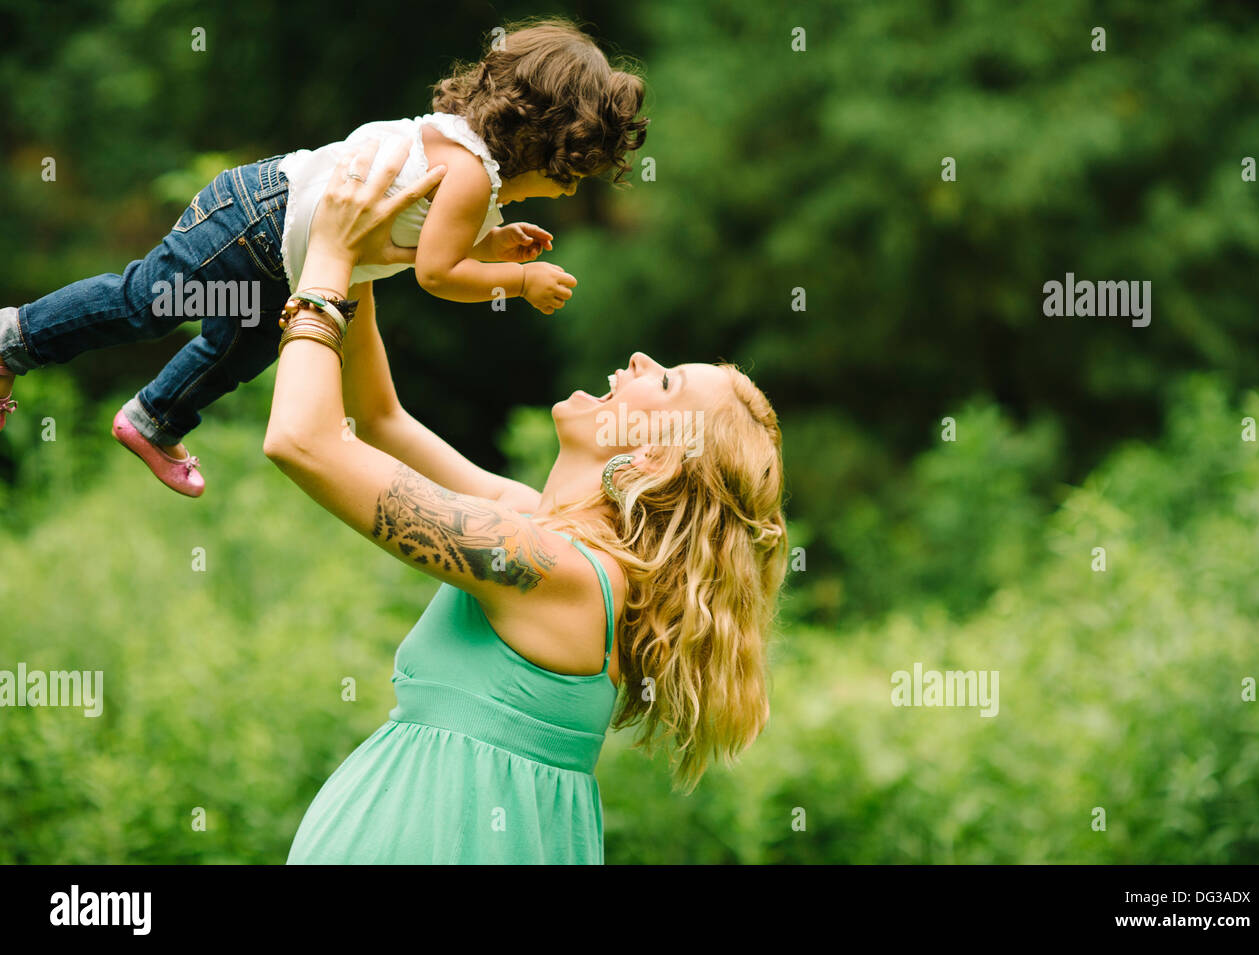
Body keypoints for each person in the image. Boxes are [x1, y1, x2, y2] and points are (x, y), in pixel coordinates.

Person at [266, 141, 788, 864]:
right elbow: (380, 418)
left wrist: (323, 268)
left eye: (663, 382)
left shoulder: (552, 568)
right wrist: (363, 254)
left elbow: (305, 440)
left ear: (654, 455)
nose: (640, 360)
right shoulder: (541, 532)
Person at [0, 18, 647, 499]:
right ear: (556, 148)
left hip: (280, 257)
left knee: (246, 347)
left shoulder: (465, 162)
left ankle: (154, 416)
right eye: (579, 172)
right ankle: (15, 337)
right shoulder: (472, 174)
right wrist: (521, 279)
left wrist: (492, 246)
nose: (572, 189)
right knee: (149, 301)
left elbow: (433, 240)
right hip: (254, 220)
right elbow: (436, 274)